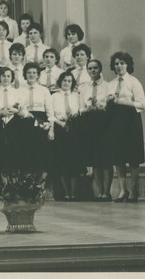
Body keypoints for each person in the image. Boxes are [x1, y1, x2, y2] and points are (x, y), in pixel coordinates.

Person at [105, 52, 145, 202]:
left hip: (131, 120)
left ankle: (134, 191)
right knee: (118, 157)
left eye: (122, 63)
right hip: (115, 121)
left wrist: (122, 102)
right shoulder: (110, 84)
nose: (119, 66)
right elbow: (107, 105)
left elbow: (143, 104)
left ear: (128, 65)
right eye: (116, 64)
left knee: (133, 157)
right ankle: (123, 191)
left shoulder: (134, 82)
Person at [77, 59, 111, 200]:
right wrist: (86, 109)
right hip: (90, 123)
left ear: (100, 69)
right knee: (95, 158)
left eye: (95, 68)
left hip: (104, 123)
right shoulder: (84, 88)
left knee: (106, 158)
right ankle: (100, 191)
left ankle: (107, 192)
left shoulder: (108, 86)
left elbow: (111, 106)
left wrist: (102, 108)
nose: (92, 71)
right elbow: (79, 108)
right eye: (90, 68)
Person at [49, 71, 84, 200]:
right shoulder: (54, 96)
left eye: (69, 81)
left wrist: (74, 117)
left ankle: (73, 193)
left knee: (73, 161)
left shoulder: (77, 96)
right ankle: (66, 192)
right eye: (64, 80)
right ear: (60, 82)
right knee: (62, 160)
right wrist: (61, 123)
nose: (66, 83)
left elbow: (81, 110)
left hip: (74, 130)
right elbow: (51, 114)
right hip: (60, 129)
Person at [16, 62, 54, 179]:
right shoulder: (19, 90)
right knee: (26, 151)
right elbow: (17, 108)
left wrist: (51, 129)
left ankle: (40, 186)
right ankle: (26, 184)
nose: (31, 75)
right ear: (25, 74)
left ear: (38, 75)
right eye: (29, 73)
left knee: (41, 152)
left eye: (34, 73)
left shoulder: (44, 90)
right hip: (24, 122)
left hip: (41, 122)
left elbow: (50, 111)